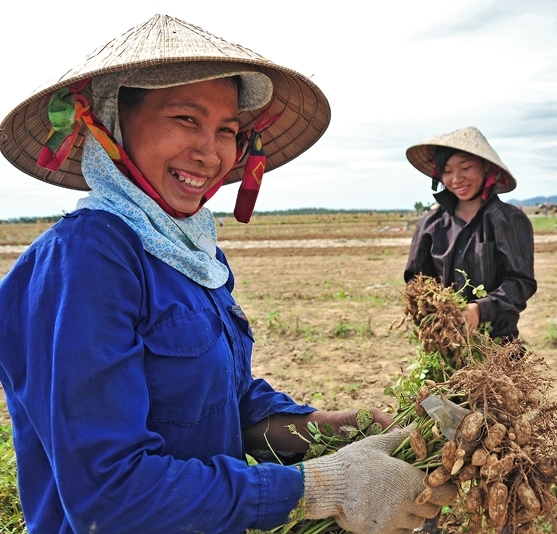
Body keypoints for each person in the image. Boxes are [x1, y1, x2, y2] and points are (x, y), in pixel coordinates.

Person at [0, 15, 455, 534]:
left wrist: (339, 428)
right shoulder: (86, 258)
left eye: (227, 131)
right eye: (186, 119)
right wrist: (322, 486)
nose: (211, 152)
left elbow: (225, 407)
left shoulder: (194, 255)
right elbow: (109, 494)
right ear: (112, 123)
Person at [404, 126, 537, 343]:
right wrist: (435, 313)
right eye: (447, 171)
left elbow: (521, 283)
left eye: (466, 167)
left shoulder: (508, 220)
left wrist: (480, 309)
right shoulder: (430, 224)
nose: (456, 179)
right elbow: (416, 281)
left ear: (486, 167)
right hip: (445, 344)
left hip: (497, 346)